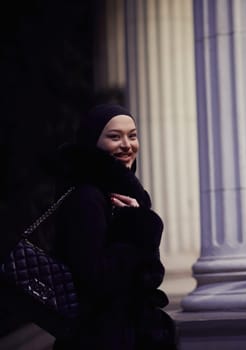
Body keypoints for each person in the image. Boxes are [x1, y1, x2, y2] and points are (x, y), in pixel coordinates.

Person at [52, 104, 177, 349]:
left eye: (132, 135)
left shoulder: (128, 196)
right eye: (114, 137)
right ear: (92, 144)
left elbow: (150, 275)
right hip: (100, 337)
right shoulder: (86, 198)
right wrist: (139, 225)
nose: (127, 145)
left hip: (130, 332)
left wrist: (138, 220)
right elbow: (96, 278)